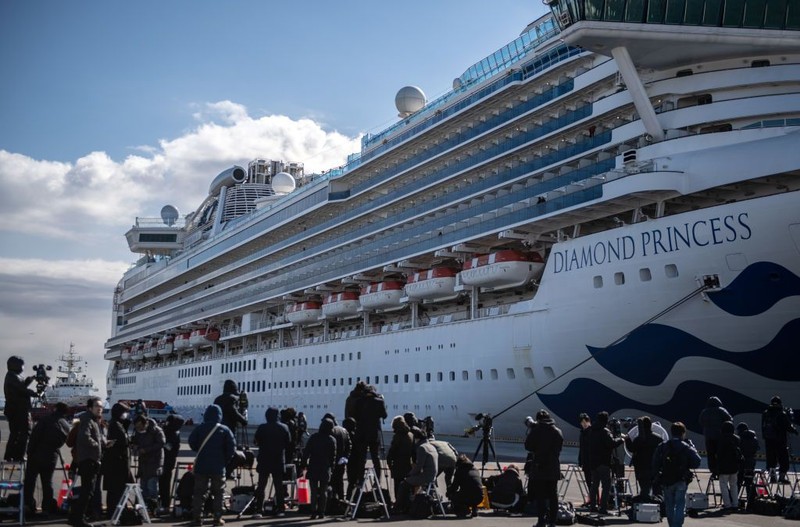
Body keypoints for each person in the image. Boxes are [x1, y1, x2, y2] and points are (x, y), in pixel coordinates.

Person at [188, 404, 236, 527]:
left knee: (199, 493)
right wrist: (224, 461)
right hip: (218, 467)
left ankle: (197, 519)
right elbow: (231, 449)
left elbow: (191, 442)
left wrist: (200, 450)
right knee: (219, 493)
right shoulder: (225, 430)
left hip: (201, 466)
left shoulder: (200, 428)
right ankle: (217, 518)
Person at [24, 402, 70, 516]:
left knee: (30, 481)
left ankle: (29, 505)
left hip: (36, 454)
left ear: (55, 409)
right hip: (51, 456)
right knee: (47, 482)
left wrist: (29, 451)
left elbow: (35, 436)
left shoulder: (45, 420)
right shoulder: (65, 425)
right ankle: (47, 506)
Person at [68, 396, 108, 527]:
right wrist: (97, 445)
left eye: (101, 407)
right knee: (87, 491)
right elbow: (84, 437)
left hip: (90, 459)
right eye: (97, 406)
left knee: (87, 490)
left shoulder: (93, 420)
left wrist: (104, 443)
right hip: (89, 460)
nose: (100, 409)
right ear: (90, 408)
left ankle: (75, 517)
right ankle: (78, 519)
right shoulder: (87, 420)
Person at [653, 422, 701, 527]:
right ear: (683, 433)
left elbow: (655, 462)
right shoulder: (686, 446)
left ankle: (672, 525)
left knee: (669, 505)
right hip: (681, 479)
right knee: (680, 504)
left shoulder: (663, 446)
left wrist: (657, 474)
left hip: (666, 479)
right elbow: (697, 461)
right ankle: (677, 525)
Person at [525, 409, 563, 526]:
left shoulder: (536, 431)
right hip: (553, 467)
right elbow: (559, 448)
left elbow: (528, 446)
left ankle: (541, 521)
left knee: (540, 496)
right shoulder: (557, 431)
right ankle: (552, 522)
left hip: (540, 467)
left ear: (538, 419)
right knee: (553, 495)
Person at [252, 407, 292, 518]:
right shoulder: (284, 427)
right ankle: (280, 509)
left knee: (261, 486)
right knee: (279, 487)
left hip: (264, 459)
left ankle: (259, 510)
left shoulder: (262, 427)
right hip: (278, 460)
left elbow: (256, 441)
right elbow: (288, 443)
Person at [586, 411, 624, 514]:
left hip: (593, 461)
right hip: (603, 462)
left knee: (594, 485)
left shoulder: (591, 430)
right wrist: (621, 439)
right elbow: (611, 444)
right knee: (606, 485)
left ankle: (593, 506)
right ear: (606, 420)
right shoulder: (605, 431)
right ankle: (603, 507)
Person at [394, 427, 438, 514]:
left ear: (416, 438)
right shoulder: (430, 446)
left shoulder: (422, 448)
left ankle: (399, 507)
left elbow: (418, 466)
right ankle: (406, 505)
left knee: (404, 484)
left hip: (426, 476)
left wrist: (409, 474)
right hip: (432, 475)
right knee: (410, 481)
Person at [4, 356, 39, 461]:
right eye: (22, 365)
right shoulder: (12, 376)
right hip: (18, 410)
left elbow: (21, 387)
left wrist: (30, 379)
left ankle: (11, 455)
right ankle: (18, 455)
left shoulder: (13, 376)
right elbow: (22, 390)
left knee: (16, 433)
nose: (23, 367)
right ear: (16, 365)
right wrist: (35, 393)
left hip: (17, 409)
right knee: (23, 433)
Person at [302, 417, 337, 519]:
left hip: (313, 466)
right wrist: (332, 467)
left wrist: (304, 464)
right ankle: (322, 512)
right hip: (325, 467)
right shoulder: (332, 440)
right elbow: (333, 456)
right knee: (323, 491)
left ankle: (313, 511)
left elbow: (306, 452)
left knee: (313, 491)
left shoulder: (314, 437)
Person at [352, 384, 387, 482]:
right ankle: (378, 480)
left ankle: (360, 479)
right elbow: (384, 415)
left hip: (361, 433)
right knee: (376, 457)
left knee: (362, 457)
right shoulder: (379, 402)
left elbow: (355, 415)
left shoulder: (359, 402)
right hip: (374, 434)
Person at [102, 402, 133, 517]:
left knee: (115, 489)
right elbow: (121, 442)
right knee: (117, 489)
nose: (126, 415)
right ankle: (116, 512)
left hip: (115, 463)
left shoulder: (115, 424)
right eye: (125, 413)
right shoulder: (115, 425)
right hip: (117, 464)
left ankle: (115, 511)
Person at [131, 414, 165, 512]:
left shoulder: (156, 430)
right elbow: (136, 441)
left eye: (140, 426)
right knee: (143, 487)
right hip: (143, 462)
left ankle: (154, 508)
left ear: (145, 423)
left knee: (152, 487)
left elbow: (161, 443)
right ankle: (143, 507)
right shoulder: (138, 432)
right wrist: (135, 446)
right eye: (137, 427)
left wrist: (146, 450)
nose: (138, 429)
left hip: (155, 461)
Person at [625, 416, 664, 498]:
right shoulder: (659, 438)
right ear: (651, 425)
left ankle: (644, 507)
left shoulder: (638, 439)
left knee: (644, 491)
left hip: (642, 468)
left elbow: (631, 449)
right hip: (655, 469)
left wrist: (627, 439)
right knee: (658, 492)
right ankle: (660, 507)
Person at [761, 395, 798, 483]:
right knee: (784, 460)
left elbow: (763, 426)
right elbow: (788, 426)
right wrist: (795, 431)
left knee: (771, 460)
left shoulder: (765, 413)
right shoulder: (782, 414)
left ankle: (772, 478)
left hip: (768, 441)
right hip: (780, 441)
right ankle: (781, 478)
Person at [322, 412, 352, 507]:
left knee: (329, 483)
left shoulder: (330, 431)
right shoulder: (344, 430)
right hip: (341, 461)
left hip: (331, 461)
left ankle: (330, 503)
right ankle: (341, 501)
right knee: (339, 481)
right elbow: (349, 445)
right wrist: (345, 457)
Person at [698, 396, 732, 477]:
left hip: (708, 436)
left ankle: (713, 470)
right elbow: (730, 420)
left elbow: (700, 422)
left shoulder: (704, 411)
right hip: (719, 436)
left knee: (710, 454)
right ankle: (721, 469)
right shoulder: (721, 410)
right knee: (720, 453)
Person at [160, 413, 185, 513]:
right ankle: (163, 503)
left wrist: (160, 444)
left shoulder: (173, 433)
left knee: (164, 483)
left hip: (167, 461)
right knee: (164, 483)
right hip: (168, 461)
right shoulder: (172, 431)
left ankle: (165, 504)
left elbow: (168, 447)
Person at [386, 415, 414, 504]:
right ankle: (408, 503)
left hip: (398, 464)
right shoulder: (411, 434)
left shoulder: (398, 436)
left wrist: (389, 463)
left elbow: (392, 451)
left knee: (397, 485)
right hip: (409, 464)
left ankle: (398, 504)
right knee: (408, 485)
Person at [447, 454, 483, 518]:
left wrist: (448, 492)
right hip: (479, 497)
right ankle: (474, 509)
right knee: (473, 491)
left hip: (467, 497)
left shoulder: (460, 471)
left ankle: (462, 510)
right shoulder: (475, 470)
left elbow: (454, 487)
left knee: (453, 495)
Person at [716, 421, 741, 511]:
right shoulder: (737, 438)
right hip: (734, 466)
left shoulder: (720, 438)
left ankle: (727, 504)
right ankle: (735, 503)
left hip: (723, 466)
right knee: (734, 485)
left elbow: (718, 453)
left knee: (723, 485)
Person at [736, 422, 759, 506]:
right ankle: (752, 501)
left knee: (738, 482)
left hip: (742, 462)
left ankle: (734, 500)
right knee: (749, 482)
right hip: (751, 462)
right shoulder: (754, 438)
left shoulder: (739, 438)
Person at [577, 413, 592, 504]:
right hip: (585, 459)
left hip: (591, 459)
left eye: (585, 421)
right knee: (588, 481)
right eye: (582, 422)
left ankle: (593, 500)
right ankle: (591, 499)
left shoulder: (590, 432)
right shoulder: (582, 432)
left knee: (592, 482)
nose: (584, 424)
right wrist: (580, 460)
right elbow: (581, 448)